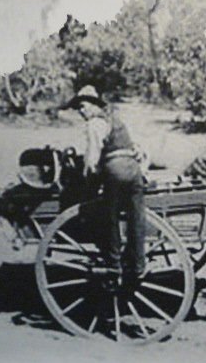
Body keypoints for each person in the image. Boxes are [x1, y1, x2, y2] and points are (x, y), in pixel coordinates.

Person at [64, 85, 146, 283]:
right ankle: (138, 264)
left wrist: (87, 182)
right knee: (137, 217)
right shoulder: (116, 121)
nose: (81, 112)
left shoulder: (94, 124)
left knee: (108, 216)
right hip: (134, 171)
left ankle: (114, 263)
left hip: (115, 171)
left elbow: (93, 159)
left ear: (93, 105)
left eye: (82, 106)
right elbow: (136, 148)